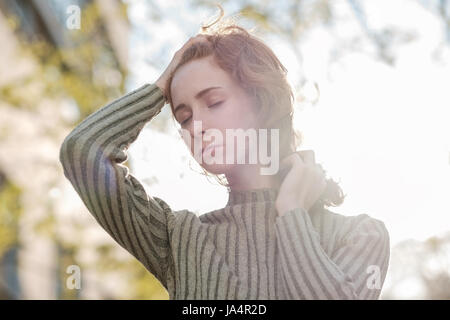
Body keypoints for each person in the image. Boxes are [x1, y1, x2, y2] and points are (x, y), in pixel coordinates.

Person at [59, 19, 390, 300]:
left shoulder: (360, 235)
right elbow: (83, 152)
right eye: (184, 117)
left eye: (214, 102)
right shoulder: (177, 238)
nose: (197, 127)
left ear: (262, 101)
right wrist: (162, 86)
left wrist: (291, 213)